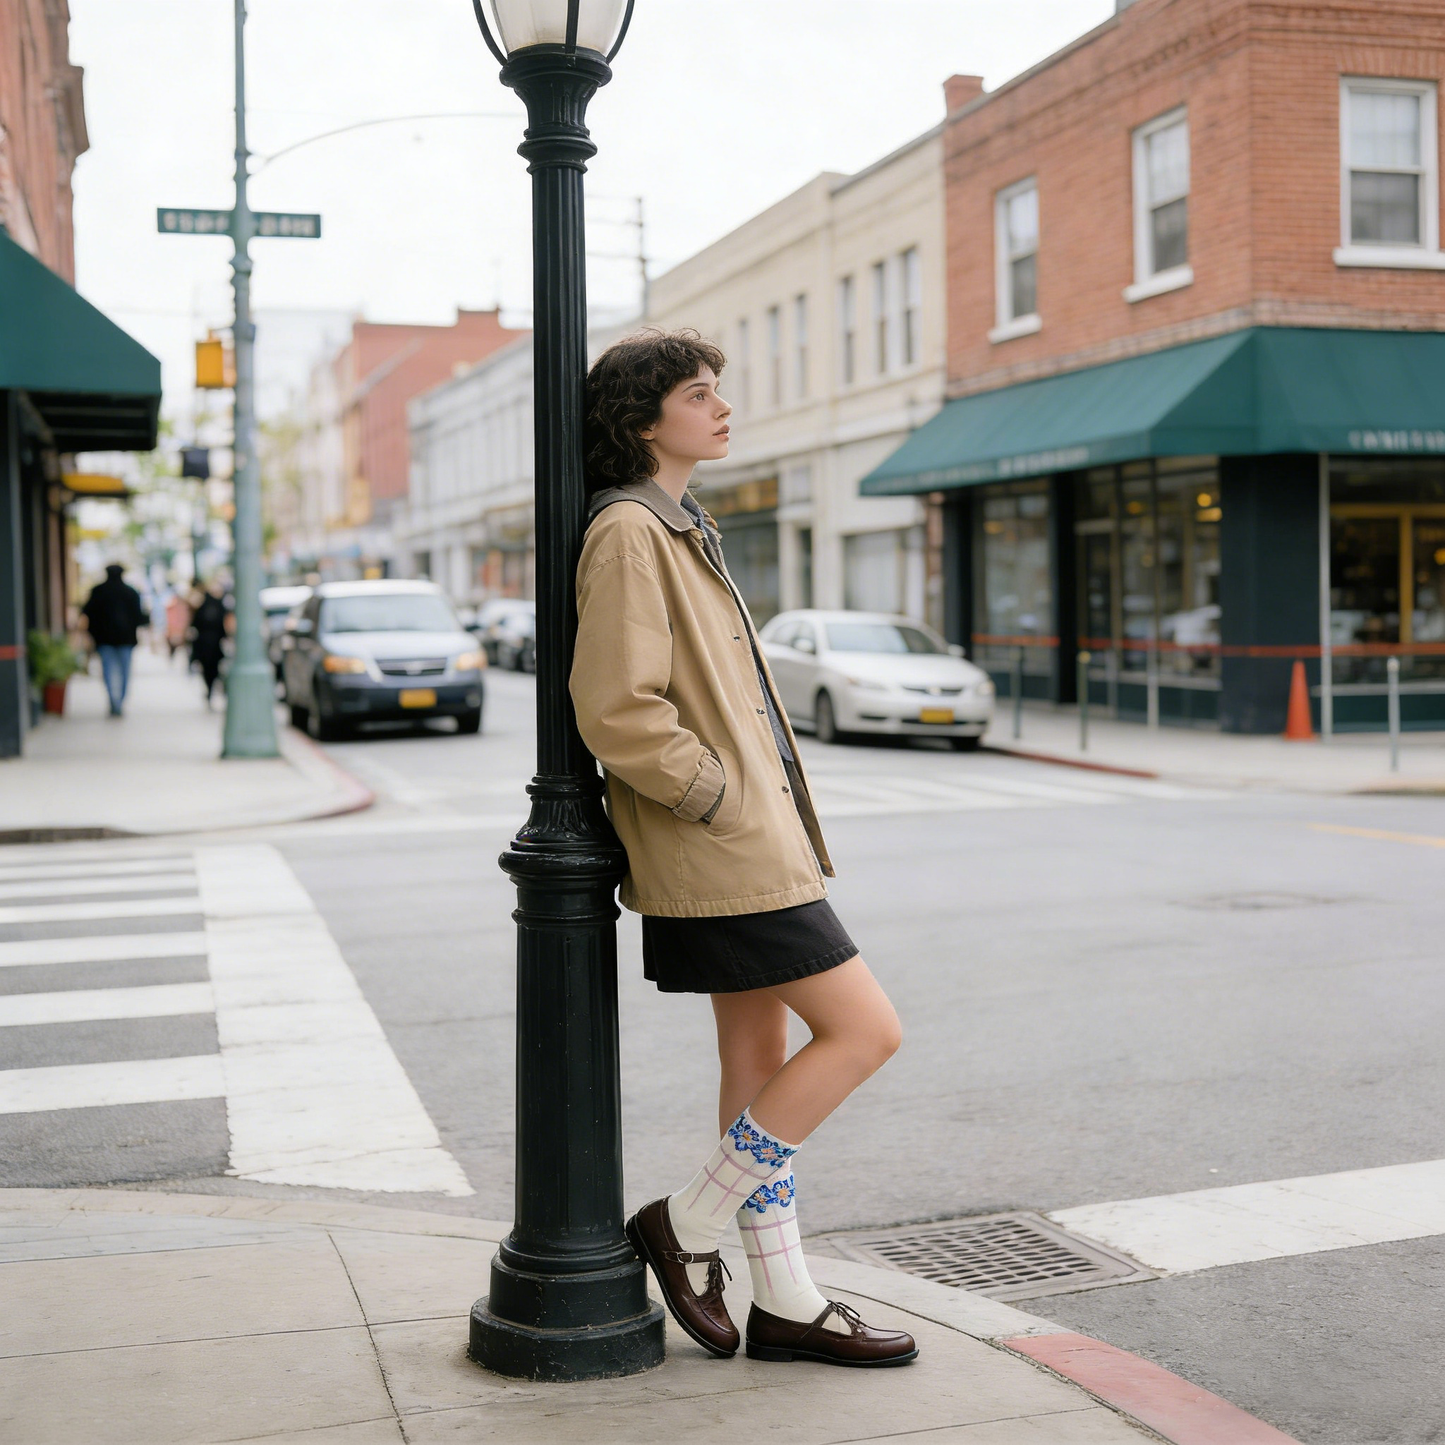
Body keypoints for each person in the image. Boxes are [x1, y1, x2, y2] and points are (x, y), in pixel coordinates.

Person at [570, 330, 913, 1368]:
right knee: (865, 1031)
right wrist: (716, 795)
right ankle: (685, 1220)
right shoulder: (631, 530)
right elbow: (616, 708)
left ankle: (787, 1299)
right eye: (699, 394)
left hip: (743, 842)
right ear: (643, 419)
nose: (721, 409)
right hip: (722, 847)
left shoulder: (678, 524)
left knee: (755, 1057)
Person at [81, 564, 149, 717]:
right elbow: (140, 616)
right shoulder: (130, 592)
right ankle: (120, 701)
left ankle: (114, 700)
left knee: (108, 671)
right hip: (126, 639)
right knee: (125, 671)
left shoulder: (98, 591)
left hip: (104, 639)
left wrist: (93, 633)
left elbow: (87, 613)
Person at [189, 583, 230, 707]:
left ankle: (210, 689)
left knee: (208, 669)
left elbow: (194, 624)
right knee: (212, 669)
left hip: (206, 644)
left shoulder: (205, 605)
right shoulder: (217, 605)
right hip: (212, 643)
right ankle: (210, 688)